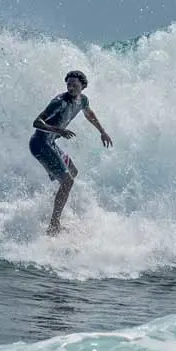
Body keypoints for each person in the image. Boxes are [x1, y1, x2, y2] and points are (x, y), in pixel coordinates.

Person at [29, 69, 113, 235]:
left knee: (73, 172)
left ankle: (54, 203)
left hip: (50, 144)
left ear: (83, 86)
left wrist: (102, 131)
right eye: (68, 84)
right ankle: (54, 224)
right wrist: (58, 130)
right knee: (67, 182)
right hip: (40, 145)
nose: (71, 87)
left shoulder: (82, 100)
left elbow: (89, 114)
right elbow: (36, 122)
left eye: (74, 84)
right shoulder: (59, 102)